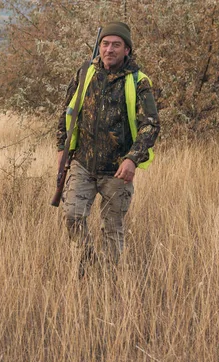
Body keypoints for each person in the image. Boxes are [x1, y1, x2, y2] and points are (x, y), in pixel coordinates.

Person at [56, 21, 160, 275]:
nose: (109, 49)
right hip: (83, 164)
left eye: (116, 44)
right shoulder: (84, 74)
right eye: (105, 44)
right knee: (72, 217)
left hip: (117, 170)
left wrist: (132, 159)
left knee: (112, 228)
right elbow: (66, 113)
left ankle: (108, 281)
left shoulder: (139, 81)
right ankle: (89, 261)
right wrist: (62, 147)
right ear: (99, 47)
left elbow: (151, 125)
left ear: (127, 50)